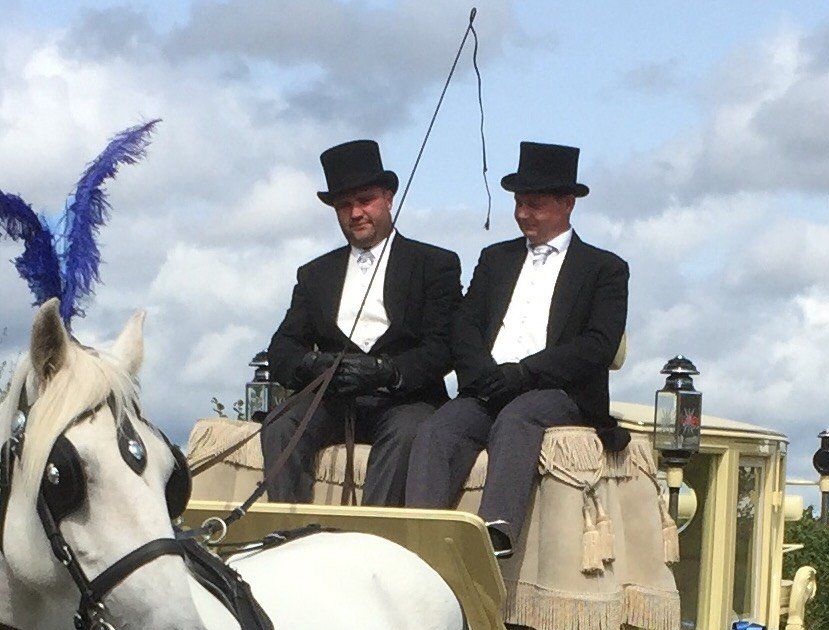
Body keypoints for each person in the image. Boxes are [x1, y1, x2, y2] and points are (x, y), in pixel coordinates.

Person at [402, 141, 628, 557]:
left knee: (517, 419)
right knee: (438, 429)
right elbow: (465, 323)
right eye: (519, 203)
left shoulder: (604, 269)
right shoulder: (495, 258)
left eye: (535, 204)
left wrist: (525, 373)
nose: (523, 213)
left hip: (558, 392)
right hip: (490, 384)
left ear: (566, 204)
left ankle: (495, 532)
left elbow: (598, 344)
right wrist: (481, 374)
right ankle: (421, 533)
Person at [262, 139, 461, 505]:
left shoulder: (435, 264)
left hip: (406, 400)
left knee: (408, 433)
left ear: (388, 197)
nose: (355, 213)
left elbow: (444, 346)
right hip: (334, 400)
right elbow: (282, 349)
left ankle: (373, 539)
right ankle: (289, 533)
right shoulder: (315, 274)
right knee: (280, 425)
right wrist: (314, 364)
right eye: (344, 205)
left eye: (365, 200)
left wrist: (389, 371)